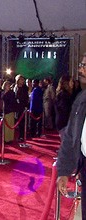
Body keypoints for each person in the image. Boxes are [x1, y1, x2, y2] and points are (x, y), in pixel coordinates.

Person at [57, 52, 86, 220]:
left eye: (84, 65)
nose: (81, 70)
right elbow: (70, 138)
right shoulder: (81, 98)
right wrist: (64, 171)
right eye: (81, 65)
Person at [13, 75, 29, 142]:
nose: (22, 81)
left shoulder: (25, 88)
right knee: (17, 121)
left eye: (23, 80)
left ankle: (22, 136)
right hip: (16, 106)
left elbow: (25, 98)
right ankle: (19, 135)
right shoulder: (15, 87)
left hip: (22, 106)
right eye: (21, 80)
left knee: (22, 122)